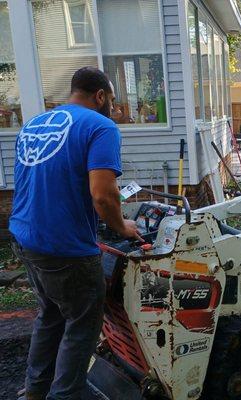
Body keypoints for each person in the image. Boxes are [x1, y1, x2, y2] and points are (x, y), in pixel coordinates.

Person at [9, 67, 143, 400]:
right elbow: (103, 195)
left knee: (51, 313)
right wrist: (122, 227)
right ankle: (66, 394)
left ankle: (35, 391)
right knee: (83, 321)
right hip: (63, 247)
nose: (112, 106)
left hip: (25, 238)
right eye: (111, 100)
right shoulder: (100, 126)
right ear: (100, 96)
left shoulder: (34, 124)